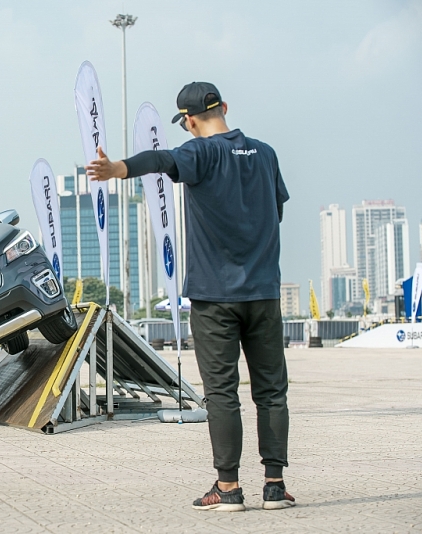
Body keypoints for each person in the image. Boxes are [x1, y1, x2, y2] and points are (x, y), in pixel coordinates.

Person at [87, 81, 293, 511]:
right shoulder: (266, 153)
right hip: (263, 292)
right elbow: (277, 211)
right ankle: (274, 485)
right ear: (225, 107)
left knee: (222, 393)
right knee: (272, 391)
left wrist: (117, 169)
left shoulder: (200, 153)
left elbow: (160, 159)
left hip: (214, 295)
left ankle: (229, 488)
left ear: (191, 120)